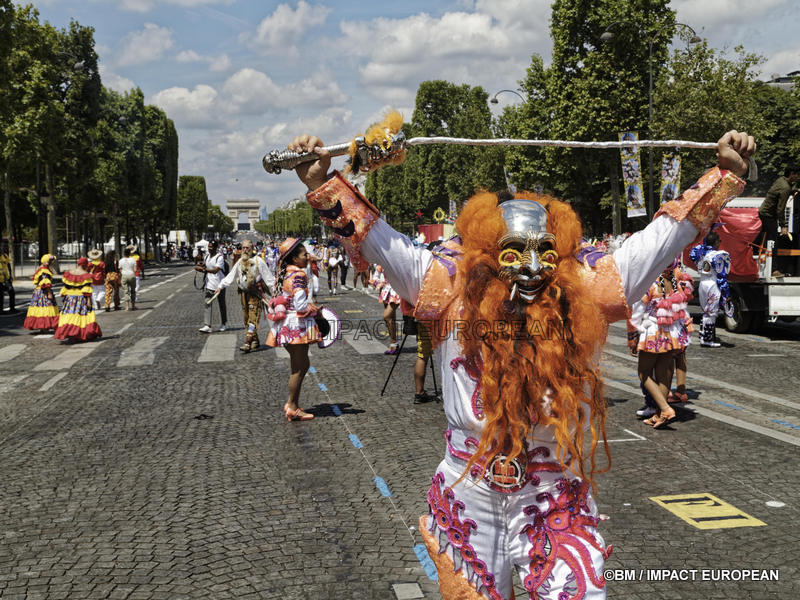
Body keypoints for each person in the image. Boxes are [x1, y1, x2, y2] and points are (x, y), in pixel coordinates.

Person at [289, 128, 753, 599]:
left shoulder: (586, 289)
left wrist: (725, 175)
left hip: (554, 494)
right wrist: (323, 183)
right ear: (488, 256)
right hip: (467, 490)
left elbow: (665, 236)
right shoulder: (447, 284)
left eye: (544, 256)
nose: (531, 271)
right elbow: (376, 239)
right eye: (514, 255)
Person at [266, 238, 321, 421]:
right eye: (305, 254)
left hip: (285, 325)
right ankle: (292, 406)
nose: (308, 257)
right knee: (300, 368)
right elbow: (300, 305)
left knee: (298, 366)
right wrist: (314, 310)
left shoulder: (285, 273)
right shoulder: (298, 275)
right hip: (296, 325)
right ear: (295, 258)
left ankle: (292, 403)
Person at [211, 238, 275, 352]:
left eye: (247, 248)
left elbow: (268, 277)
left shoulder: (258, 261)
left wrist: (275, 292)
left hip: (255, 294)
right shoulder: (239, 261)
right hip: (243, 294)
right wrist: (220, 286)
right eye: (243, 248)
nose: (245, 250)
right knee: (246, 318)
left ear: (252, 249)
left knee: (253, 317)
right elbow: (231, 275)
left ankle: (247, 341)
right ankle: (255, 341)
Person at [690, 231, 731, 348]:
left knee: (706, 312)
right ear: (716, 242)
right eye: (719, 241)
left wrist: (705, 243)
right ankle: (707, 340)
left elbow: (693, 252)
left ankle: (704, 336)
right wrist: (726, 293)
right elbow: (722, 276)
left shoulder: (700, 254)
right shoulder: (718, 255)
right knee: (711, 313)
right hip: (712, 284)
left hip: (702, 283)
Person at [758, 165, 798, 277]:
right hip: (769, 215)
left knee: (767, 239)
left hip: (765, 213)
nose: (797, 177)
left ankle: (767, 264)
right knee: (773, 241)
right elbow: (780, 209)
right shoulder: (785, 188)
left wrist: (793, 191)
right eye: (796, 174)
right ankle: (774, 270)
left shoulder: (781, 180)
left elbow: (779, 192)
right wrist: (783, 226)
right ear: (791, 174)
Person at [55, 257, 102, 342]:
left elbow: (65, 287)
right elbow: (87, 291)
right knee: (80, 315)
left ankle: (70, 333)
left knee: (69, 315)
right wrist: (89, 302)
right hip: (80, 298)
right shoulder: (86, 275)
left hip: (69, 298)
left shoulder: (68, 273)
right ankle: (77, 334)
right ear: (85, 265)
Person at [196, 240, 228, 333]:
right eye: (209, 246)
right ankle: (207, 325)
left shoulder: (220, 258)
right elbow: (206, 266)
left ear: (215, 247)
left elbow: (215, 270)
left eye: (211, 247)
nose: (209, 248)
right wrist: (202, 265)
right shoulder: (206, 256)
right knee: (207, 303)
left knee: (221, 305)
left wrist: (203, 270)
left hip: (219, 285)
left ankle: (223, 323)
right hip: (209, 284)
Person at [23, 254, 59, 332]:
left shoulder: (41, 268)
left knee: (40, 308)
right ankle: (44, 326)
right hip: (44, 292)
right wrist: (49, 293)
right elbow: (45, 283)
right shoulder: (44, 270)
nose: (52, 262)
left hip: (38, 292)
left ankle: (43, 327)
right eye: (50, 261)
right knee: (45, 308)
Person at [371, 264, 401, 354]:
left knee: (386, 316)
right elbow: (375, 276)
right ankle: (393, 344)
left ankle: (394, 344)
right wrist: (380, 283)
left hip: (397, 290)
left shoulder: (398, 260)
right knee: (391, 319)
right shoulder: (381, 262)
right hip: (386, 291)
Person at [119, 247, 138, 311]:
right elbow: (135, 270)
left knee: (126, 291)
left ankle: (127, 307)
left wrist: (124, 272)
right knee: (133, 291)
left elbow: (120, 270)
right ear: (130, 253)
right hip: (132, 275)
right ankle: (133, 306)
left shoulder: (121, 260)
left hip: (124, 275)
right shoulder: (133, 260)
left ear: (123, 253)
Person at [0, 243, 15, 313]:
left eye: (2, 248)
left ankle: (12, 308)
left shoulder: (5, 256)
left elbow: (8, 265)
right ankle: (1, 310)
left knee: (12, 292)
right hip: (0, 280)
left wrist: (11, 276)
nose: (1, 249)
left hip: (6, 279)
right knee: (1, 295)